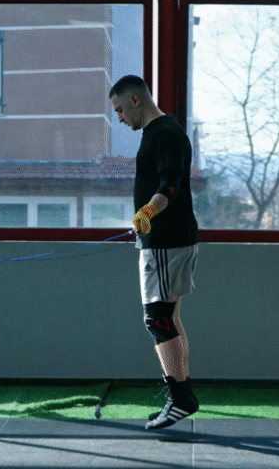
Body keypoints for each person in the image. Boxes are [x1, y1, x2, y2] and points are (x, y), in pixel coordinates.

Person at [109, 74, 201, 430]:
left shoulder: (164, 133)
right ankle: (182, 396)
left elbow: (169, 187)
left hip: (167, 242)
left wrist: (146, 214)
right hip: (167, 240)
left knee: (158, 319)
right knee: (168, 318)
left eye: (119, 110)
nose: (119, 118)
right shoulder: (162, 131)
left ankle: (180, 399)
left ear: (135, 100)